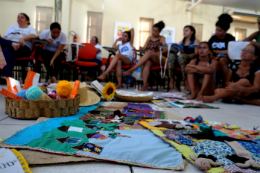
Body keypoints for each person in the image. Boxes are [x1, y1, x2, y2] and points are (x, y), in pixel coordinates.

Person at [123, 21, 166, 91]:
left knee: (149, 53)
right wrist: (141, 48)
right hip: (150, 58)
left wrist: (155, 53)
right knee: (147, 63)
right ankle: (145, 85)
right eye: (153, 31)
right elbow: (144, 48)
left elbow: (166, 50)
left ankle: (132, 69)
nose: (153, 32)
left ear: (159, 32)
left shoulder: (162, 38)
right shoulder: (149, 38)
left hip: (159, 59)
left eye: (156, 31)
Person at [0, 13, 36, 83]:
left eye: (22, 17)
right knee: (6, 47)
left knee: (7, 48)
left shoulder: (30, 29)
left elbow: (33, 36)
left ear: (27, 21)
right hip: (9, 44)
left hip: (22, 47)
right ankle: (12, 44)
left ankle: (6, 76)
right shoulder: (12, 27)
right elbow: (5, 38)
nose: (19, 18)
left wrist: (23, 38)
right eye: (18, 17)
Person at [208, 13, 235, 87]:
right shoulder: (213, 38)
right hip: (213, 58)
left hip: (225, 59)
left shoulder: (230, 38)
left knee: (222, 60)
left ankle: (225, 85)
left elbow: (230, 51)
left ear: (225, 31)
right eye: (216, 29)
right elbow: (208, 48)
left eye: (220, 30)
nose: (217, 32)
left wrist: (215, 51)